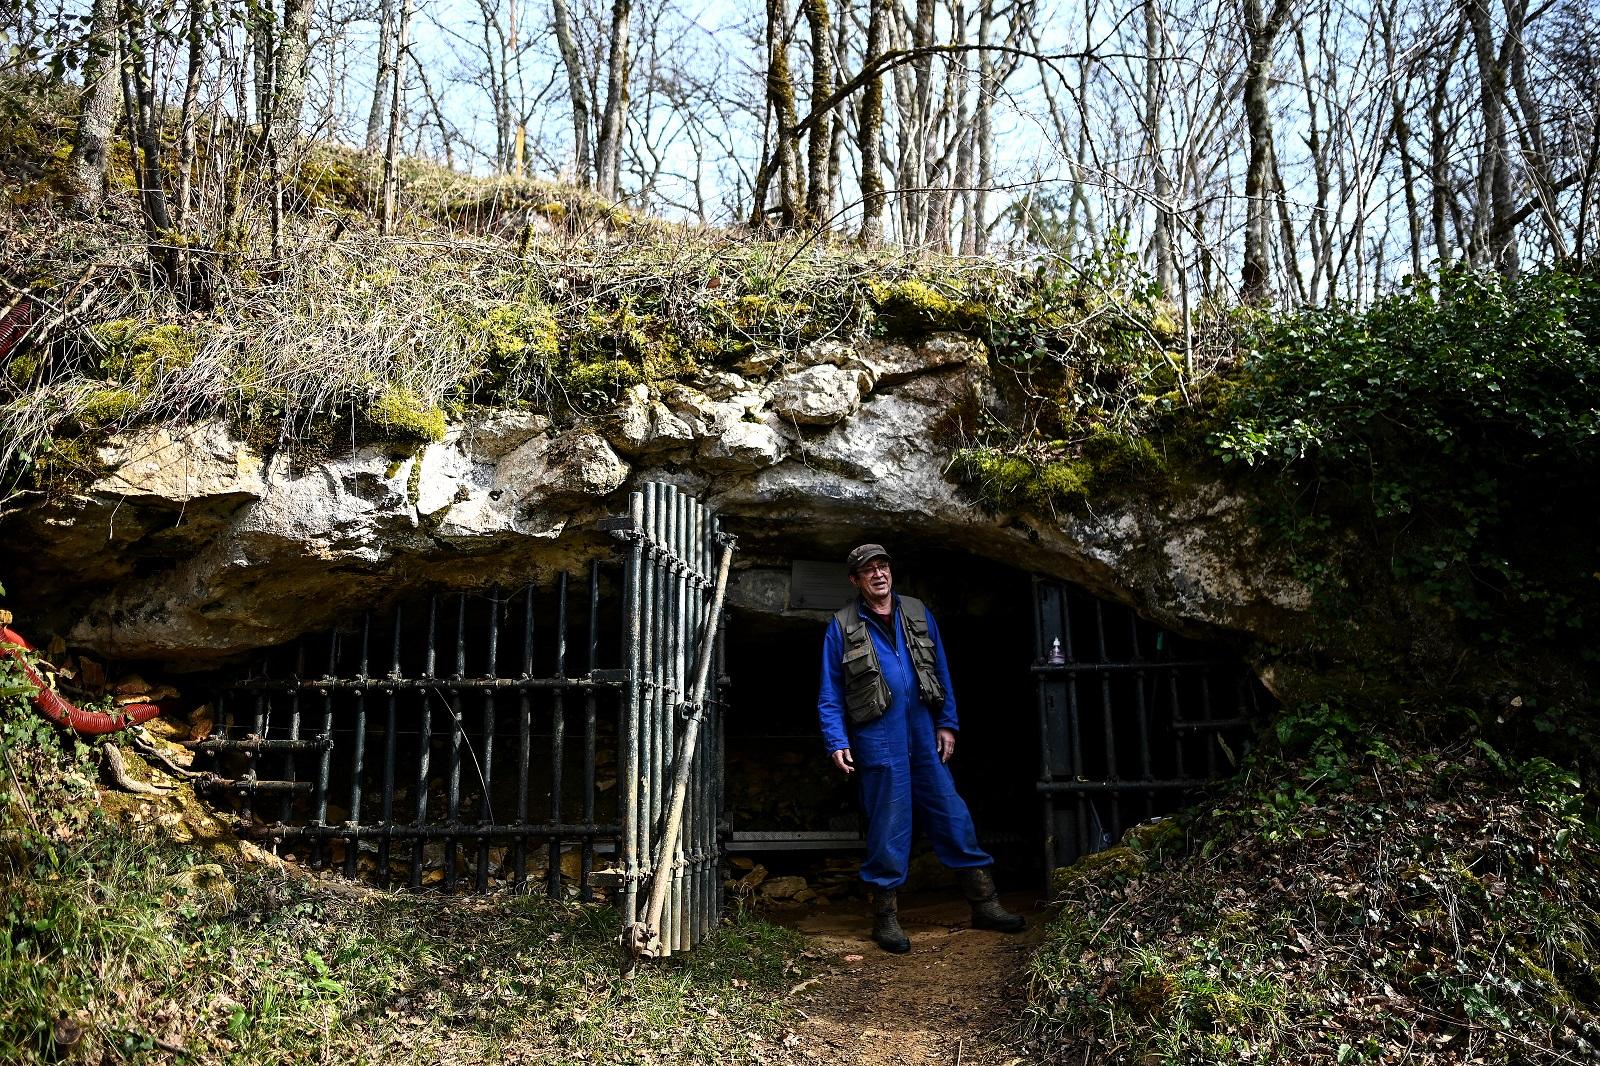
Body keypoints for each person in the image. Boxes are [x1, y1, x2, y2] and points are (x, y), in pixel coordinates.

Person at [817, 543, 1025, 953]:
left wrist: (948, 723)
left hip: (924, 734)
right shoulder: (841, 626)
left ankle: (985, 904)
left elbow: (942, 669)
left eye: (884, 567)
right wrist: (836, 739)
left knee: (953, 816)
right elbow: (830, 691)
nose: (879, 574)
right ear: (855, 580)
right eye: (869, 570)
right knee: (888, 829)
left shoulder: (917, 611)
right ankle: (886, 920)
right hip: (877, 739)